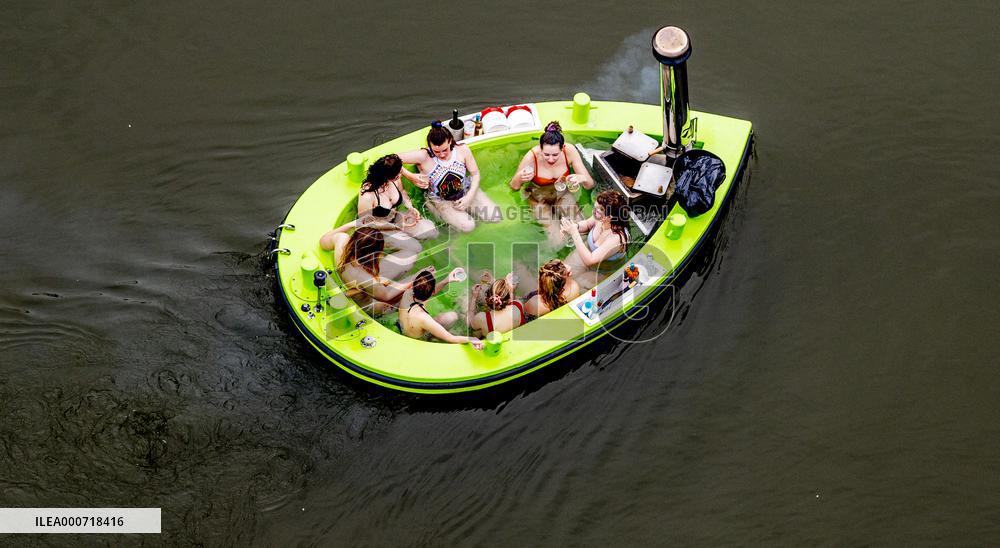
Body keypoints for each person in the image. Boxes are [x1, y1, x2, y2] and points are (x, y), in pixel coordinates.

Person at [398, 122, 501, 232]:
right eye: (436, 151)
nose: (441, 155)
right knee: (468, 226)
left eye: (445, 150)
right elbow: (390, 159)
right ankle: (432, 208)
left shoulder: (462, 150)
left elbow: (475, 174)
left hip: (465, 190)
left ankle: (467, 210)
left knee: (495, 217)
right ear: (430, 146)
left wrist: (469, 197)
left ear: (450, 141)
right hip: (442, 200)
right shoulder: (423, 156)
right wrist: (410, 176)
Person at [510, 121, 595, 246]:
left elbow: (590, 185)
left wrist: (581, 178)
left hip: (562, 195)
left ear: (562, 148)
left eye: (555, 155)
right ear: (540, 148)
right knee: (557, 241)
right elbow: (513, 187)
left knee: (581, 232)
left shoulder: (569, 151)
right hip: (538, 199)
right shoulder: (531, 157)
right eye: (546, 154)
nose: (551, 159)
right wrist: (519, 177)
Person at [319, 226, 414, 314]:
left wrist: (352, 224)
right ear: (373, 254)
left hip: (348, 284)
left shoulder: (341, 240)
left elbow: (323, 242)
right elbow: (387, 296)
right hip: (367, 306)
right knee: (404, 299)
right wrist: (415, 277)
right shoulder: (365, 278)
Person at [559, 190, 631, 289]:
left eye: (598, 210)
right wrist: (574, 226)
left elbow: (590, 260)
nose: (594, 211)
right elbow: (588, 224)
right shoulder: (600, 218)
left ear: (610, 217)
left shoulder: (617, 237)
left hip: (603, 271)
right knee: (561, 274)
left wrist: (574, 234)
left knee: (574, 285)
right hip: (586, 253)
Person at [398, 267, 484, 349]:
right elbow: (450, 338)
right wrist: (472, 339)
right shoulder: (423, 318)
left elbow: (430, 292)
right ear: (431, 293)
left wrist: (447, 280)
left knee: (448, 317)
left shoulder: (407, 293)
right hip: (416, 340)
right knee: (452, 317)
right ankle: (432, 340)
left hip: (403, 328)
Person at [358, 154, 438, 240]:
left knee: (430, 231)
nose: (401, 174)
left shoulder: (394, 180)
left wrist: (410, 207)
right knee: (415, 247)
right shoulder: (368, 196)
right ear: (387, 177)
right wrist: (396, 227)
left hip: (396, 217)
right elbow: (365, 223)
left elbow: (402, 192)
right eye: (398, 174)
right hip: (380, 230)